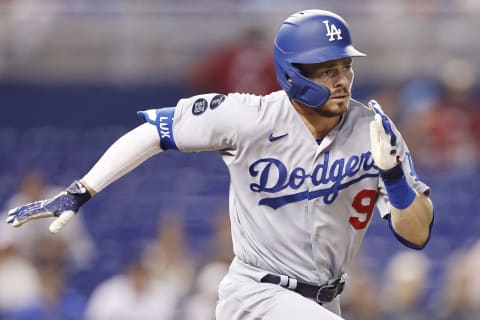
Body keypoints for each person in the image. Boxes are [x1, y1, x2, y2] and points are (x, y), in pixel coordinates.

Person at [5, 9, 434, 320]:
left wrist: (394, 178)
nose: (341, 78)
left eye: (345, 66)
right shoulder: (250, 116)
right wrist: (82, 190)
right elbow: (155, 133)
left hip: (324, 300)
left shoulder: (375, 130)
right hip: (258, 296)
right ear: (291, 73)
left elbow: (417, 235)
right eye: (325, 69)